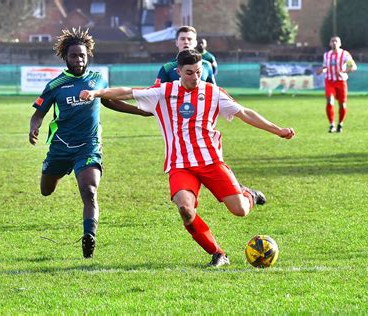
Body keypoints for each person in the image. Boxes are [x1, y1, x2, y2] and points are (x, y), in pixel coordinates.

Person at [79, 49, 295, 267]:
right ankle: (218, 253)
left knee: (239, 210)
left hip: (211, 162)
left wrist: (277, 130)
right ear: (179, 71)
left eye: (198, 72)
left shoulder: (213, 92)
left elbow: (245, 112)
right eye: (189, 72)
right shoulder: (164, 92)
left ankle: (248, 194)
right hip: (180, 165)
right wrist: (96, 93)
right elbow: (128, 92)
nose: (195, 77)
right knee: (185, 208)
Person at [28, 27, 150, 259]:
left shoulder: (97, 80)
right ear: (66, 57)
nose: (79, 59)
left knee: (89, 191)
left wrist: (139, 111)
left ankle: (89, 237)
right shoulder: (56, 85)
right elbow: (39, 112)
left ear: (88, 56)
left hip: (89, 145)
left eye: (82, 55)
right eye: (74, 55)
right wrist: (34, 126)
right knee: (46, 191)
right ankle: (58, 170)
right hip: (61, 147)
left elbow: (110, 101)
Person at [317, 36, 357, 133]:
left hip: (341, 82)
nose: (334, 43)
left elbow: (353, 67)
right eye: (332, 41)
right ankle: (332, 125)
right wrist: (321, 70)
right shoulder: (326, 55)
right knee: (330, 101)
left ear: (340, 44)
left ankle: (340, 124)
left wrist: (345, 71)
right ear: (330, 44)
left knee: (342, 105)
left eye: (336, 41)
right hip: (329, 81)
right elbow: (325, 67)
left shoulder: (345, 54)